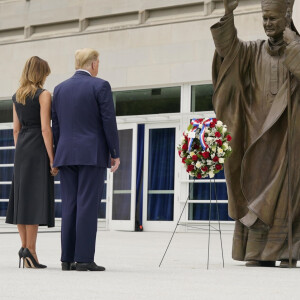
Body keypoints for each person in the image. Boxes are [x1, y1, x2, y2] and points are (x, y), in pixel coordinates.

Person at [211, 0, 300, 267]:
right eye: (264, 19)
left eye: (273, 19)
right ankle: (256, 252)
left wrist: (294, 45)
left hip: (288, 137)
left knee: (287, 195)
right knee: (252, 190)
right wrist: (228, 14)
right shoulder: (253, 51)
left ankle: (286, 251)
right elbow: (228, 52)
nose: (268, 24)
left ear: (287, 16)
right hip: (255, 134)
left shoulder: (297, 48)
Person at [52, 48, 120, 271]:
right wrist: (115, 152)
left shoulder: (59, 89)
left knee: (70, 205)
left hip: (66, 154)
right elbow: (108, 121)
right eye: (98, 62)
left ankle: (67, 259)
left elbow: (57, 126)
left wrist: (56, 154)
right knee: (87, 206)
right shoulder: (100, 85)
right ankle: (83, 259)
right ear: (92, 64)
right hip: (92, 154)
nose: (98, 66)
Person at [6, 56, 58, 269]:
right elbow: (46, 129)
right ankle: (32, 252)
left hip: (22, 150)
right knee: (34, 199)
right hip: (38, 148)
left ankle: (24, 248)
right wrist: (53, 159)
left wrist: (21, 151)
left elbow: (16, 130)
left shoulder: (16, 96)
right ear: (41, 73)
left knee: (21, 199)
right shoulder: (44, 95)